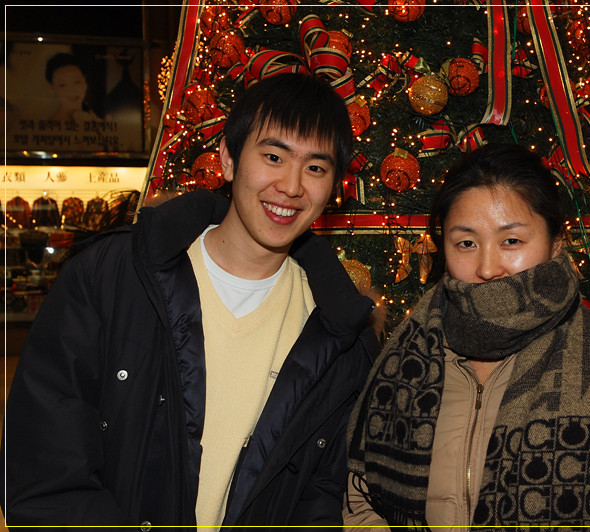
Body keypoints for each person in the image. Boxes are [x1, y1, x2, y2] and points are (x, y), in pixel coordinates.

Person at [3, 72, 380, 529]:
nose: (291, 185)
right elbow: (44, 468)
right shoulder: (114, 276)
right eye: (274, 157)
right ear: (228, 159)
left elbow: (321, 498)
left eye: (316, 168)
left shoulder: (340, 334)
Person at [344, 143, 590, 530]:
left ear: (556, 241)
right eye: (466, 243)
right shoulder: (408, 359)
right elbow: (361, 499)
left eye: (511, 241)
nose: (487, 267)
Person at [45, 52, 100, 122]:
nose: (71, 91)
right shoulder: (54, 125)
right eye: (62, 85)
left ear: (85, 83)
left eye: (77, 82)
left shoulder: (93, 117)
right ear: (52, 88)